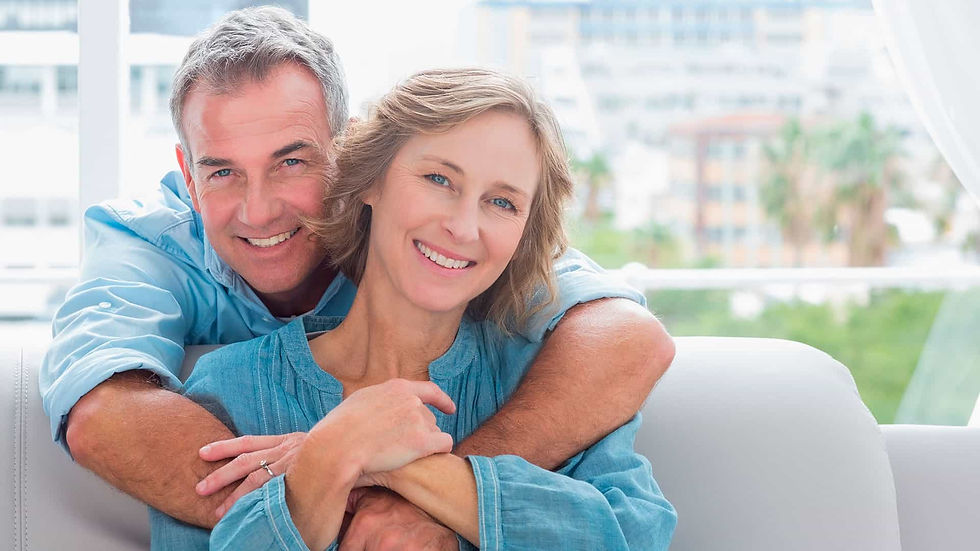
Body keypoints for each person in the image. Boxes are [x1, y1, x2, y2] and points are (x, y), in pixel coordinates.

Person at [40, 7, 675, 547]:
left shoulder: (537, 372)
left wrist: (416, 479)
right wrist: (328, 461)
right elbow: (100, 412)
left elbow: (628, 344)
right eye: (223, 171)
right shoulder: (215, 366)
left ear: (346, 157)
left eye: (291, 162)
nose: (258, 211)